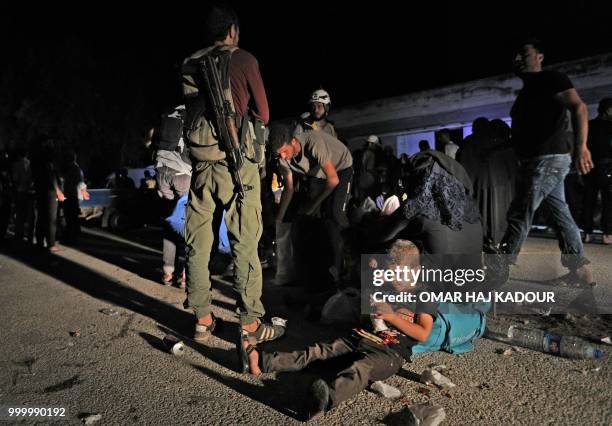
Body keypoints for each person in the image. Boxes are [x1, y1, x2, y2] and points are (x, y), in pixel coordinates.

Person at [240, 240, 436, 420]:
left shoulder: (423, 295)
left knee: (359, 369)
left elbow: (423, 333)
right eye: (391, 273)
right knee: (318, 351)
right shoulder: (385, 286)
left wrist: (392, 316)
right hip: (360, 337)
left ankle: (324, 400)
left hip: (390, 352)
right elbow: (366, 314)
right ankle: (262, 362)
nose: (395, 280)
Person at [182, 5, 283, 345]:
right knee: (245, 243)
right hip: (237, 164)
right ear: (232, 31)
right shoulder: (244, 59)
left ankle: (202, 319)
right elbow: (264, 113)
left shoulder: (189, 62)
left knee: (198, 243)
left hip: (201, 164)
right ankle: (251, 325)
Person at [500, 39, 594, 285]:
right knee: (559, 213)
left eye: (525, 53)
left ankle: (497, 269)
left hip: (548, 159)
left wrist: (582, 147)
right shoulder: (526, 93)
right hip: (537, 160)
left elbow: (579, 108)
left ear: (540, 57)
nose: (518, 59)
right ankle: (580, 271)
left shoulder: (552, 79)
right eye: (516, 55)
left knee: (521, 210)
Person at [269, 125, 353, 284]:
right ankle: (321, 271)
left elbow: (333, 180)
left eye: (285, 151)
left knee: (334, 213)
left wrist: (312, 206)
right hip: (317, 174)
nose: (283, 157)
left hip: (341, 167)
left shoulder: (313, 142)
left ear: (293, 141)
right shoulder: (282, 159)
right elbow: (289, 189)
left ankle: (349, 262)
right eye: (279, 154)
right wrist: (279, 219)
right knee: (311, 221)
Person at [153, 108, 192, 287]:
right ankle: (184, 275)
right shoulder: (190, 115)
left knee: (169, 223)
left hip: (161, 171)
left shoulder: (166, 115)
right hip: (182, 173)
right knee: (185, 224)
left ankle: (168, 272)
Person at [581, 97, 612, 244]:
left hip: (590, 166)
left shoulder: (589, 125)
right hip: (607, 168)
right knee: (608, 201)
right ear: (608, 110)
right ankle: (607, 234)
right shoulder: (610, 126)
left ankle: (587, 233)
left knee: (588, 200)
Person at [61, 150, 90, 244]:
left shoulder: (74, 169)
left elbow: (78, 185)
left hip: (72, 197)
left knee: (71, 219)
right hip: (73, 197)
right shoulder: (75, 169)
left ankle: (72, 238)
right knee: (73, 219)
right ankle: (73, 237)